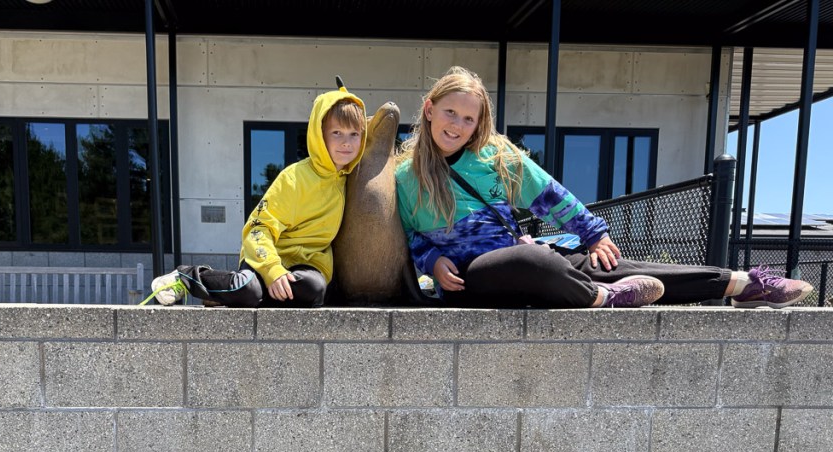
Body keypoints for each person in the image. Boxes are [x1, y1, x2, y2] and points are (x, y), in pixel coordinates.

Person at [395, 65, 813, 309]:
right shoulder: (403, 177)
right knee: (531, 262)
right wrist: (432, 261)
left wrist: (593, 234)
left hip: (526, 255)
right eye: (450, 112)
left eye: (469, 119)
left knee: (618, 266)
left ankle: (741, 284)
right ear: (430, 110)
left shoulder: (494, 157)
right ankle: (602, 298)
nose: (458, 125)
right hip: (473, 280)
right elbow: (410, 236)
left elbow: (549, 195)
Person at [145, 83, 366, 307]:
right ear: (319, 134)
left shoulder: (353, 181)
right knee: (248, 290)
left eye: (354, 133)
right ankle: (187, 277)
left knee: (314, 290)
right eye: (336, 132)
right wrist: (273, 270)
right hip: (266, 259)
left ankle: (224, 293)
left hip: (306, 266)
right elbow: (257, 228)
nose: (346, 142)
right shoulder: (295, 178)